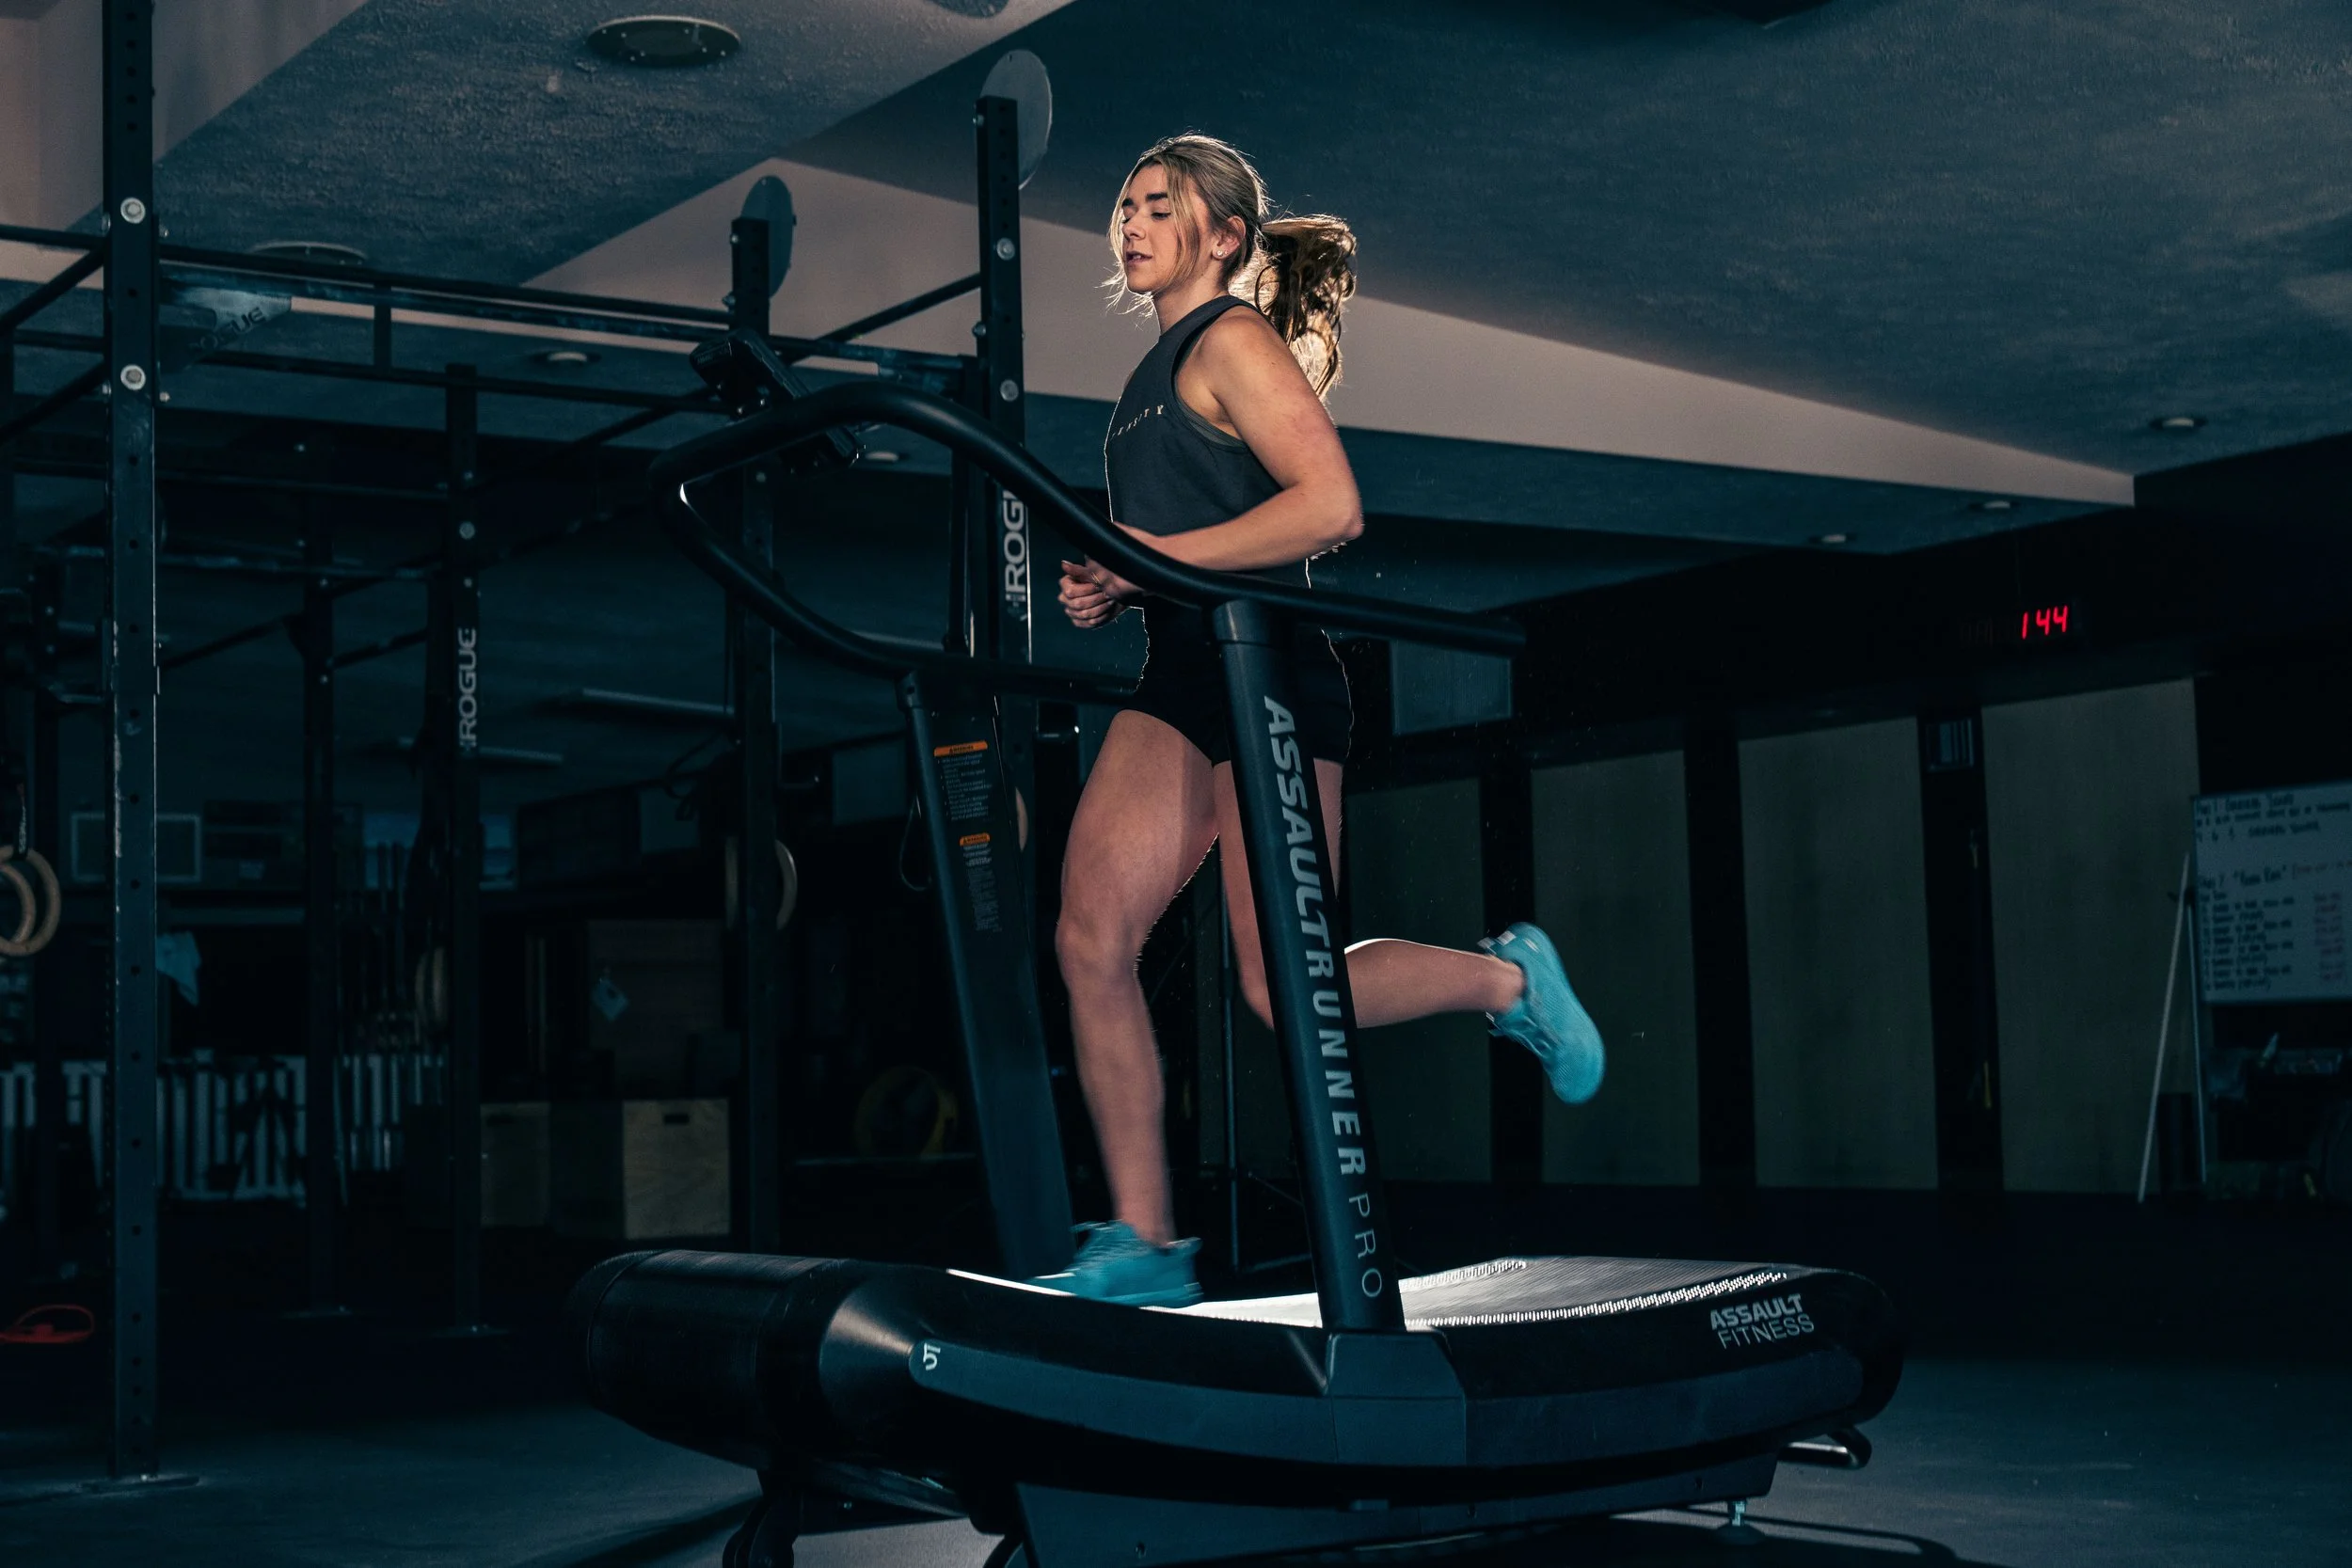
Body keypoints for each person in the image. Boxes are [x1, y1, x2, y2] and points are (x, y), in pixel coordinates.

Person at [1041, 135, 1604, 1307]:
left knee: (1281, 988)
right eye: (1125, 204)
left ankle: (1508, 982)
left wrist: (1142, 559)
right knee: (1090, 938)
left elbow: (1328, 507)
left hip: (1273, 671)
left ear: (1227, 235)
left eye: (1160, 204)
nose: (1131, 223)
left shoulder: (1230, 340)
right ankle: (1143, 1242)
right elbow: (1178, 547)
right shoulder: (1146, 381)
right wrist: (1116, 580)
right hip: (1180, 673)